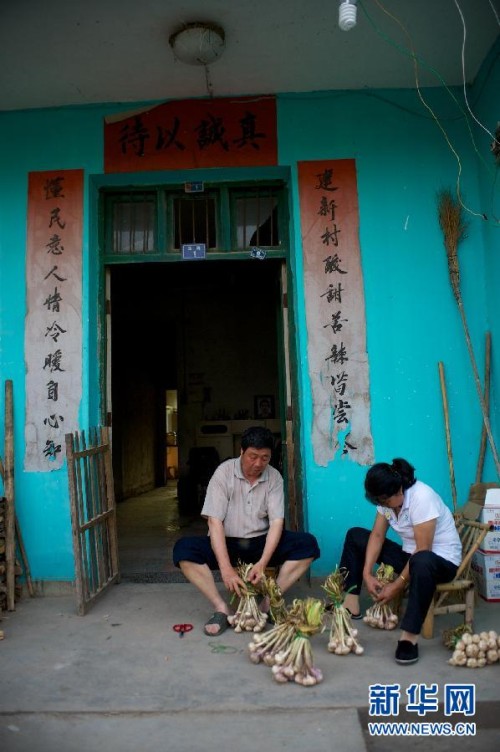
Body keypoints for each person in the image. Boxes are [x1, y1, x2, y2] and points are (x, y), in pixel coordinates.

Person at [173, 426, 320, 636]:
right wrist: (225, 569)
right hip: (227, 542)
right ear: (241, 452)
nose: (258, 464)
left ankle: (267, 605)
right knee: (183, 549)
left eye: (264, 458)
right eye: (252, 456)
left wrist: (262, 563)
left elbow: (277, 523)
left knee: (308, 544)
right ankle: (221, 608)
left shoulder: (274, 477)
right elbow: (214, 522)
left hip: (261, 543)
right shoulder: (224, 473)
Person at [339, 458, 462, 665]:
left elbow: (423, 550)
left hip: (440, 561)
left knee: (421, 560)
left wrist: (396, 585)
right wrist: (366, 573)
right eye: (381, 502)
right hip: (412, 557)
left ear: (399, 490)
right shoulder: (385, 501)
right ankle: (351, 603)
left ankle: (409, 638)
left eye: (386, 501)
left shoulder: (422, 498)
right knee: (355, 536)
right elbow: (377, 536)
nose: (385, 506)